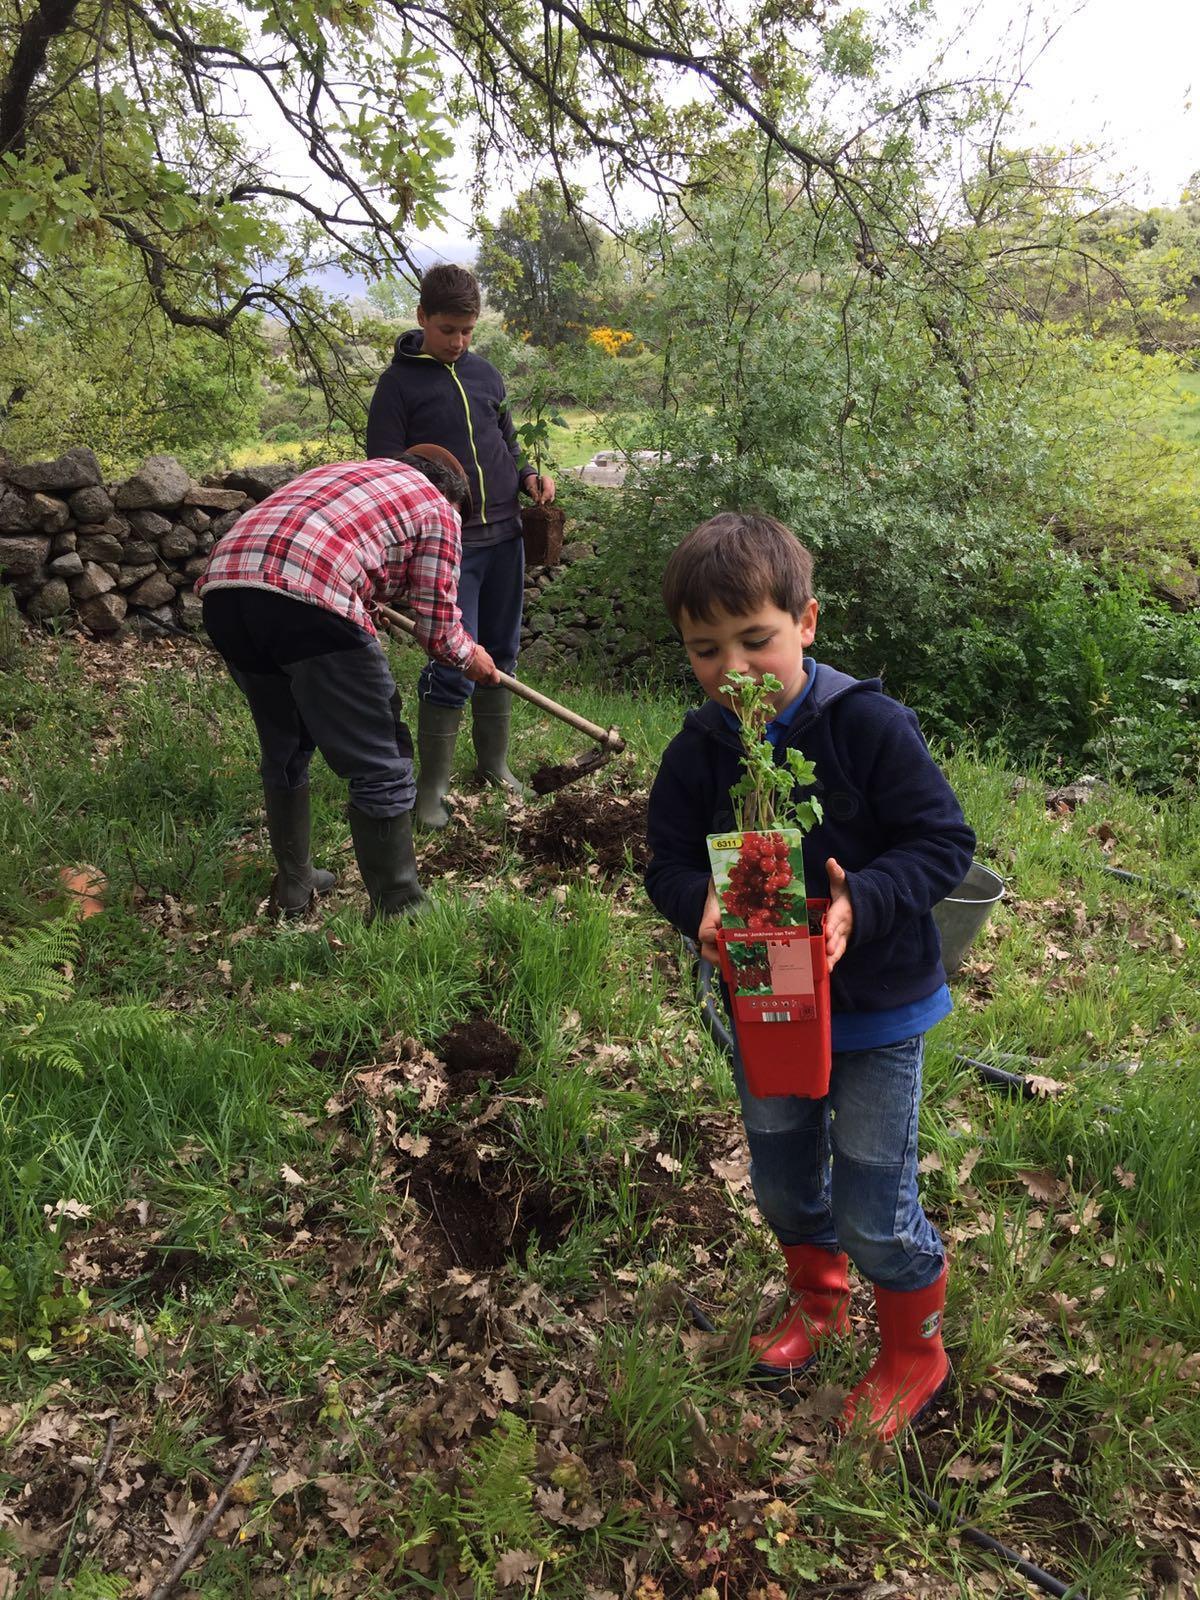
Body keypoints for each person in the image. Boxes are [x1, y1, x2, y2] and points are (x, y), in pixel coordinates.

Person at [644, 511, 975, 1441]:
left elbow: (945, 842)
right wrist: (697, 907)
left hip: (874, 1006)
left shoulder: (866, 725)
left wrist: (857, 904)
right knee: (785, 1182)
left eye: (757, 640)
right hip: (767, 1003)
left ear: (808, 623)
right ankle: (818, 1302)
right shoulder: (702, 746)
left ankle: (917, 1348)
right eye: (706, 650)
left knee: (876, 1207)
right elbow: (665, 858)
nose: (733, 671)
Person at [195, 450, 499, 921]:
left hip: (225, 593)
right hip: (307, 598)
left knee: (286, 744)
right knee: (380, 759)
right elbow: (438, 630)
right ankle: (400, 909)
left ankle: (295, 885)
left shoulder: (348, 476)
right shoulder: (440, 508)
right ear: (454, 494)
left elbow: (333, 547)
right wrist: (471, 658)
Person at [365, 262, 555, 829]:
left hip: (507, 536)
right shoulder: (397, 385)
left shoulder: (486, 375)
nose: (459, 341)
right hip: (448, 544)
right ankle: (432, 788)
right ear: (423, 317)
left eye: (468, 331)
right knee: (451, 661)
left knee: (502, 650)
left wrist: (527, 477)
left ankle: (494, 765)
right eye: (449, 329)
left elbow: (507, 440)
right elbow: (382, 468)